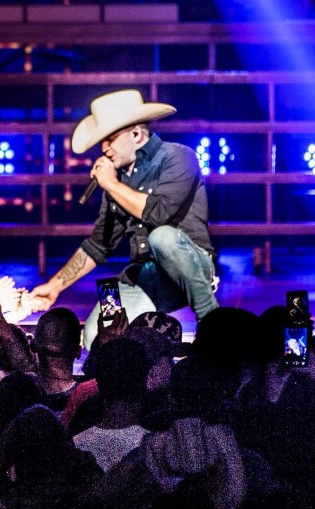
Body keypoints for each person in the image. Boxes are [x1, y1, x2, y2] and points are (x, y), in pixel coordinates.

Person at [29, 89, 219, 349]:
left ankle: (211, 321)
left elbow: (159, 213)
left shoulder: (178, 157)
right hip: (144, 276)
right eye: (101, 142)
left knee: (161, 237)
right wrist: (53, 287)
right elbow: (97, 246)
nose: (104, 149)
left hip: (189, 266)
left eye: (110, 139)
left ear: (136, 134)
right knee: (95, 337)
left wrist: (111, 184)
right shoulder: (116, 182)